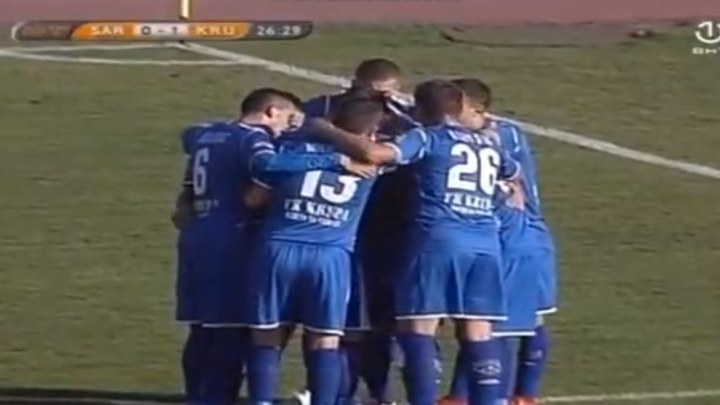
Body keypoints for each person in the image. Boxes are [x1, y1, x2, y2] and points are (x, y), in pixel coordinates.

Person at [307, 79, 522, 405]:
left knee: (418, 328)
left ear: (420, 110)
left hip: (438, 240)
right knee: (478, 331)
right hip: (485, 245)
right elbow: (512, 174)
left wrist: (325, 130)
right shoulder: (488, 142)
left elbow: (374, 153)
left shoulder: (426, 137)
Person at [173, 87, 367, 405]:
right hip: (231, 239)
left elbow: (188, 137)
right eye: (288, 119)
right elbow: (267, 165)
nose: (286, 129)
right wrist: (335, 159)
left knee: (202, 328)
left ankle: (197, 397)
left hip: (197, 233)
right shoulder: (254, 138)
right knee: (230, 330)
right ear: (271, 112)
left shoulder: (207, 133)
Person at [242, 97, 387, 405]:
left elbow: (254, 198)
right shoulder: (374, 161)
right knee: (325, 340)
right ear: (371, 132)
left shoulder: (291, 149)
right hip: (330, 256)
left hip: (279, 249)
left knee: (267, 336)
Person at [440, 78, 557, 405]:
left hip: (512, 241)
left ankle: (506, 397)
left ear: (475, 109)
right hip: (524, 239)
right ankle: (503, 395)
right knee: (515, 321)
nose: (448, 113)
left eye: (455, 106)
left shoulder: (491, 138)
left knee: (493, 328)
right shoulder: (504, 133)